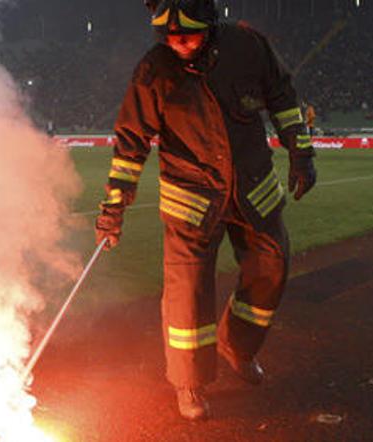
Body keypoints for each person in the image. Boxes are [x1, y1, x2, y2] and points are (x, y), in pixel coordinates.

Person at [95, 0, 316, 421]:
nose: (178, 43)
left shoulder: (249, 47)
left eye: (189, 34)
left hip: (254, 190)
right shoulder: (153, 70)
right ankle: (189, 383)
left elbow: (283, 97)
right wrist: (114, 206)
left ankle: (240, 347)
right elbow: (130, 145)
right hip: (190, 202)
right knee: (188, 295)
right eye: (169, 35)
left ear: (212, 27)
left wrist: (301, 153)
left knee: (272, 266)